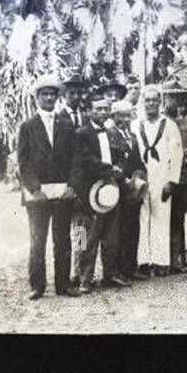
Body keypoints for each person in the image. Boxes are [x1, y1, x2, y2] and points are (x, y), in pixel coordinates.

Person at [17, 74, 78, 299]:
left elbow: (74, 159)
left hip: (62, 191)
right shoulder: (27, 126)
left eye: (53, 94)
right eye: (45, 94)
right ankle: (37, 286)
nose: (49, 98)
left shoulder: (66, 125)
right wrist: (35, 189)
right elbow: (23, 162)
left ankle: (63, 285)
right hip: (38, 195)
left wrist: (72, 186)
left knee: (62, 239)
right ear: (37, 98)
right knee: (37, 241)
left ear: (57, 97)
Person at [71, 93, 125, 293]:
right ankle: (85, 278)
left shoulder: (112, 132)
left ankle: (109, 275)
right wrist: (109, 169)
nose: (103, 112)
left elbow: (122, 154)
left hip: (111, 188)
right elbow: (86, 161)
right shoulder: (81, 134)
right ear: (88, 111)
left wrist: (119, 167)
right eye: (98, 108)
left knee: (111, 235)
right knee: (87, 236)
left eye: (105, 108)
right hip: (90, 191)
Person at [134, 84, 183, 277]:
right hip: (142, 177)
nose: (151, 103)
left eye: (154, 100)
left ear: (160, 102)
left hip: (162, 176)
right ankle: (143, 261)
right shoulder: (136, 124)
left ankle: (162, 261)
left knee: (161, 218)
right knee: (142, 218)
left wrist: (171, 181)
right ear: (143, 102)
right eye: (147, 100)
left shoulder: (169, 125)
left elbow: (176, 154)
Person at [110, 99, 148, 283]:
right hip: (117, 189)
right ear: (113, 116)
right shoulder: (109, 135)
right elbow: (109, 164)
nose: (125, 119)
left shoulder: (133, 137)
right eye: (121, 116)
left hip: (133, 191)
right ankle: (117, 271)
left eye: (128, 115)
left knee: (133, 229)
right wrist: (123, 180)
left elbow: (139, 162)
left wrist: (139, 177)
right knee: (118, 230)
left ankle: (131, 268)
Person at [160, 78, 187, 273]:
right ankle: (164, 259)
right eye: (172, 97)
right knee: (162, 218)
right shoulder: (159, 122)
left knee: (179, 218)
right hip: (163, 179)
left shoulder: (185, 123)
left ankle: (179, 257)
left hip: (184, 178)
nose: (175, 102)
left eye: (179, 98)